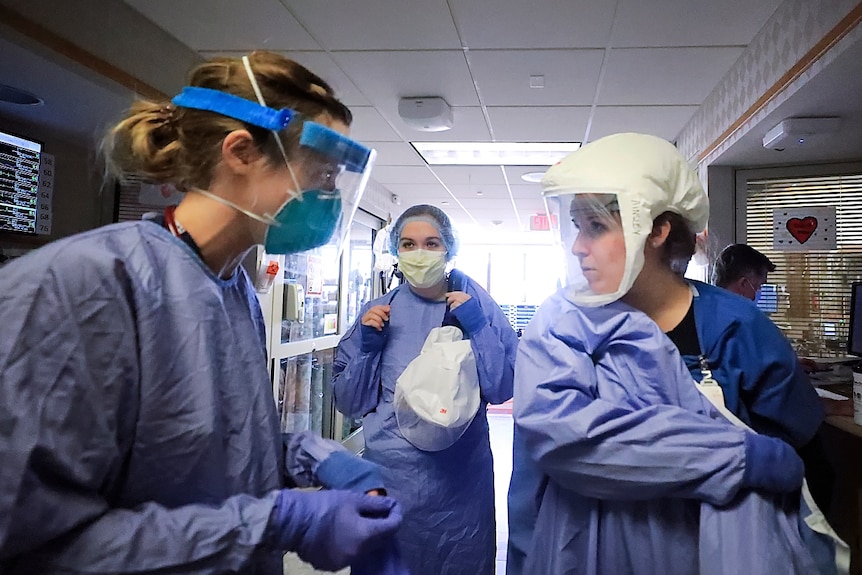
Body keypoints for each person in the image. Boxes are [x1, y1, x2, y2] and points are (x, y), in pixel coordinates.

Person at [0, 51, 403, 574]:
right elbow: (32, 543)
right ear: (241, 152)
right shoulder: (80, 287)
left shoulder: (231, 288)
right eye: (321, 173)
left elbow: (208, 453)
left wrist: (308, 458)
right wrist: (278, 522)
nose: (329, 196)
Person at [507, 133, 828, 574]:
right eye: (577, 226)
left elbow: (800, 457)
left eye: (596, 226)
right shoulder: (561, 324)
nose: (578, 246)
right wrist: (735, 458)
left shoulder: (735, 328)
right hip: (582, 553)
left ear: (657, 229)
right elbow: (550, 454)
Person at [333, 204, 518, 575]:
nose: (420, 253)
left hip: (460, 484)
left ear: (449, 249)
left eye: (431, 243)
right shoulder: (377, 313)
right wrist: (368, 350)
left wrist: (479, 329)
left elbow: (502, 388)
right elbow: (350, 403)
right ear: (395, 252)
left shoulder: (476, 307)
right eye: (409, 244)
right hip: (390, 477)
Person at [712, 243, 776, 300]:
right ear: (743, 284)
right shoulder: (739, 313)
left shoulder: (707, 309)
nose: (760, 291)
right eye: (760, 286)